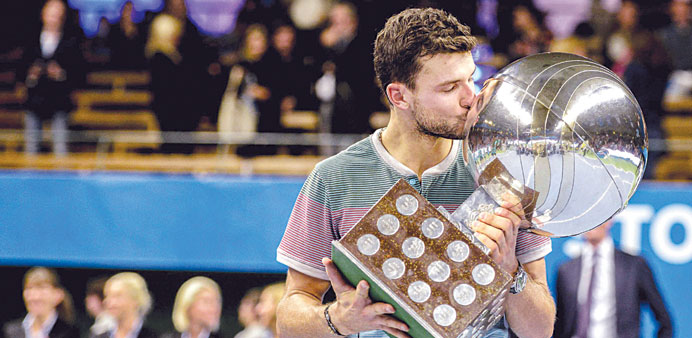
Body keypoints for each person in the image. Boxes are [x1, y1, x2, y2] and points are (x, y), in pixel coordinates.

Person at [275, 7, 555, 338]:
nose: (471, 98)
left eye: (471, 78)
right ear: (399, 96)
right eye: (450, 88)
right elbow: (289, 316)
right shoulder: (335, 178)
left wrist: (512, 270)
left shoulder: (504, 176)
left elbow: (541, 330)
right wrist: (338, 318)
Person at [553, 220, 673, 338]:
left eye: (597, 216)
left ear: (609, 219)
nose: (591, 223)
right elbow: (558, 324)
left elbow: (664, 320)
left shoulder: (633, 266)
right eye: (587, 217)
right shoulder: (565, 270)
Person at [19, 0, 84, 157]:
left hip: (59, 101)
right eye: (51, 12)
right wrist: (31, 74)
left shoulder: (71, 41)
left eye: (58, 13)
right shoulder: (31, 39)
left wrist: (60, 74)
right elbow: (20, 69)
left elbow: (80, 73)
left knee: (60, 151)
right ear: (43, 14)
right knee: (31, 150)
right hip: (35, 100)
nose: (54, 17)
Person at [2, 267, 80, 338]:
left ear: (58, 295)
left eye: (42, 289)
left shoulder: (69, 333)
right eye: (29, 288)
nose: (35, 297)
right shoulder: (11, 331)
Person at [92, 272, 157, 338]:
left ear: (136, 300)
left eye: (117, 296)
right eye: (106, 296)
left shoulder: (154, 335)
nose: (108, 302)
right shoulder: (98, 335)